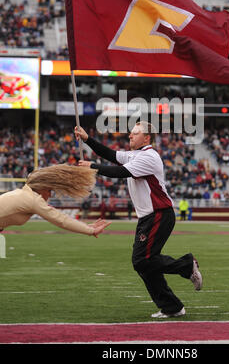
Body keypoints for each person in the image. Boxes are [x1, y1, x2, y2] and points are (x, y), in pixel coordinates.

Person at [75, 122, 203, 319]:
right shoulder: (135, 154)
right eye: (131, 134)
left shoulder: (150, 157)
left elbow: (120, 172)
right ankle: (172, 307)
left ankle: (187, 266)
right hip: (149, 217)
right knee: (145, 264)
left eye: (135, 134)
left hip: (159, 214)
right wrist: (87, 139)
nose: (130, 137)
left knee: (141, 261)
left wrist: (92, 167)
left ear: (147, 138)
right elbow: (110, 155)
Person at [0, 164, 111, 237]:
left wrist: (86, 227)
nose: (50, 195)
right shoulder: (33, 200)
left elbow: (61, 217)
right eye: (49, 190)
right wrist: (90, 231)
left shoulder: (25, 194)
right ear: (41, 187)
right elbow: (61, 220)